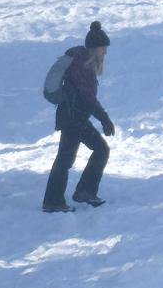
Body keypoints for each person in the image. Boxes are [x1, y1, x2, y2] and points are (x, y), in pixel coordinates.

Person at [42, 22, 117, 212]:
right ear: (94, 49)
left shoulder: (83, 63)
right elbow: (88, 98)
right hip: (73, 118)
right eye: (103, 48)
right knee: (94, 151)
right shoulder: (81, 65)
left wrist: (102, 118)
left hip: (74, 118)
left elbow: (86, 98)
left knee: (70, 158)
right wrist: (104, 119)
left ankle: (73, 195)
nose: (105, 53)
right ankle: (57, 200)